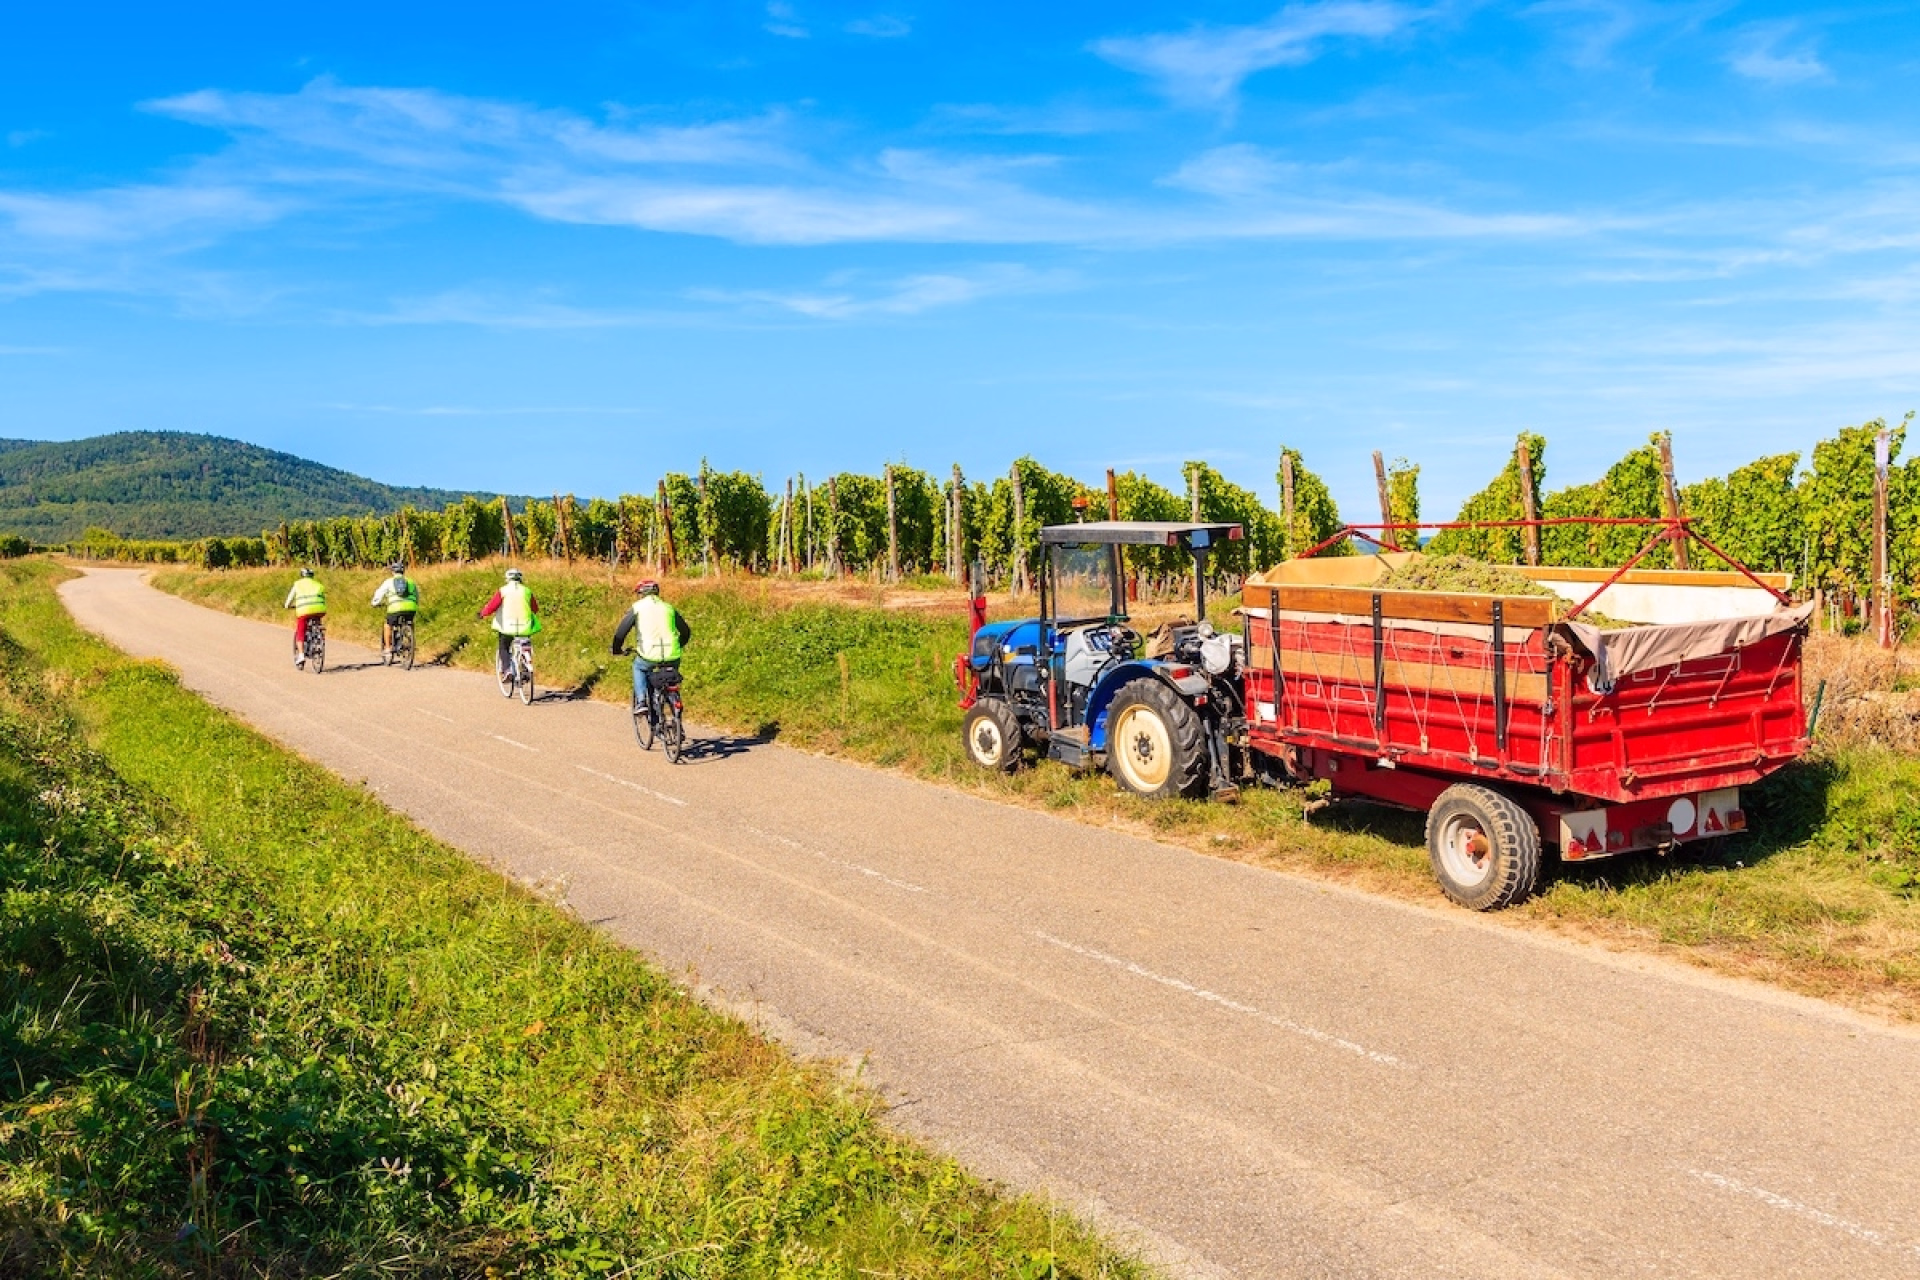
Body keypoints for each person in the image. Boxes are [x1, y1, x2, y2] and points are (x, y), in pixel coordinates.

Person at [611, 579, 691, 708]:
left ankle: (642, 701)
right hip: (672, 655)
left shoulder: (637, 607)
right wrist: (677, 645)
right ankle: (674, 705)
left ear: (641, 593)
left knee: (638, 667)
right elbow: (686, 632)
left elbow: (621, 632)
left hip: (648, 655)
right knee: (670, 677)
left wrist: (616, 649)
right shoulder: (669, 607)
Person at [478, 567, 541, 681]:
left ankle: (507, 670)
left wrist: (482, 614)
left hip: (507, 626)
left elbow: (492, 606)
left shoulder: (503, 591)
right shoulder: (527, 591)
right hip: (525, 626)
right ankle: (526, 667)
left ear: (507, 578)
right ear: (520, 579)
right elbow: (535, 608)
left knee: (504, 647)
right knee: (525, 644)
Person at [370, 560, 420, 662]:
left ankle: (388, 649)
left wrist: (375, 603)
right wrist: (415, 605)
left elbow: (379, 594)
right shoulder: (411, 581)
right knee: (410, 621)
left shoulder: (389, 582)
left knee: (388, 624)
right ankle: (411, 640)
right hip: (411, 607)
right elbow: (417, 596)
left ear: (393, 571)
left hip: (395, 608)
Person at [283, 567, 326, 668]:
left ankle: (301, 655)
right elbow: (322, 598)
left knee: (301, 630)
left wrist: (287, 605)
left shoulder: (298, 584)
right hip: (320, 609)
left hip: (304, 611)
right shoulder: (319, 585)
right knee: (316, 621)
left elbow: (290, 597)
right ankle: (318, 636)